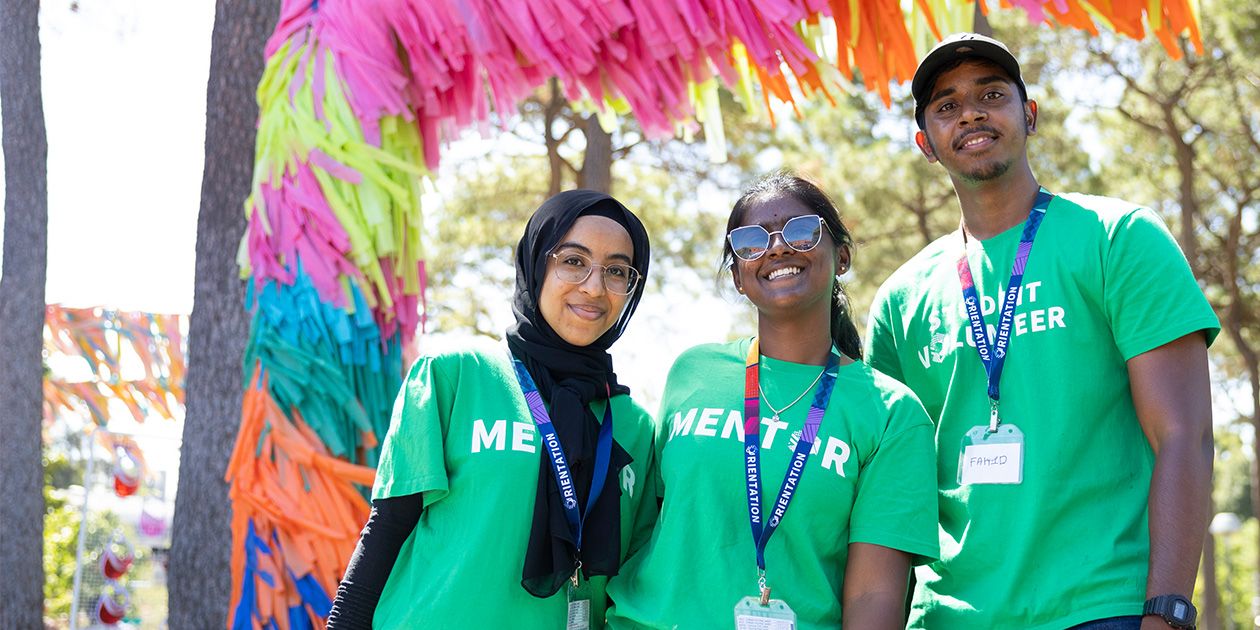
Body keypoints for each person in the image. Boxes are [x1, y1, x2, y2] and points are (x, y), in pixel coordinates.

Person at [864, 33, 1219, 630]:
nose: (971, 112)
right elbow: (890, 496)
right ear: (926, 144)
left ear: (1029, 115)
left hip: (1103, 608)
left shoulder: (1119, 238)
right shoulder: (900, 299)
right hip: (947, 617)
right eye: (946, 105)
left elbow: (1185, 436)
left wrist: (1169, 612)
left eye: (991, 93)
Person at [606, 173, 939, 630]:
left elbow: (873, 596)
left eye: (802, 231)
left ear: (840, 257)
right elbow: (650, 527)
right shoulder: (693, 373)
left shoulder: (891, 414)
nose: (777, 248)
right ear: (740, 277)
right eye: (750, 242)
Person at [325, 190, 658, 629]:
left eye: (617, 271)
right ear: (536, 264)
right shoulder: (454, 375)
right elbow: (385, 533)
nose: (594, 287)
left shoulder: (633, 426)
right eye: (573, 261)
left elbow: (631, 584)